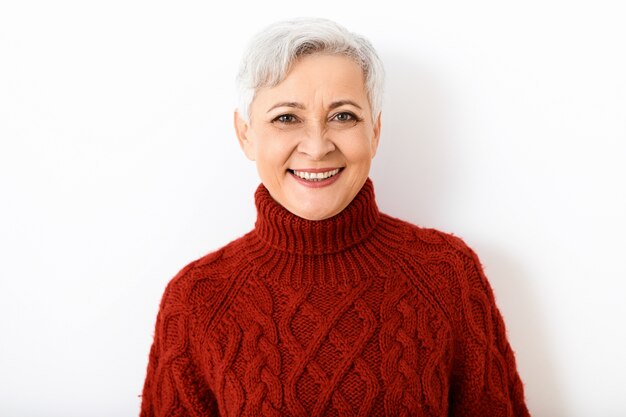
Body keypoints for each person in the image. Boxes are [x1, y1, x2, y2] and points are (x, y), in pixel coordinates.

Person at [139, 17, 530, 417]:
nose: (316, 146)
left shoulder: (447, 274)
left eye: (343, 116)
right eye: (286, 118)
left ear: (374, 132)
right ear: (246, 135)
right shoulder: (197, 300)